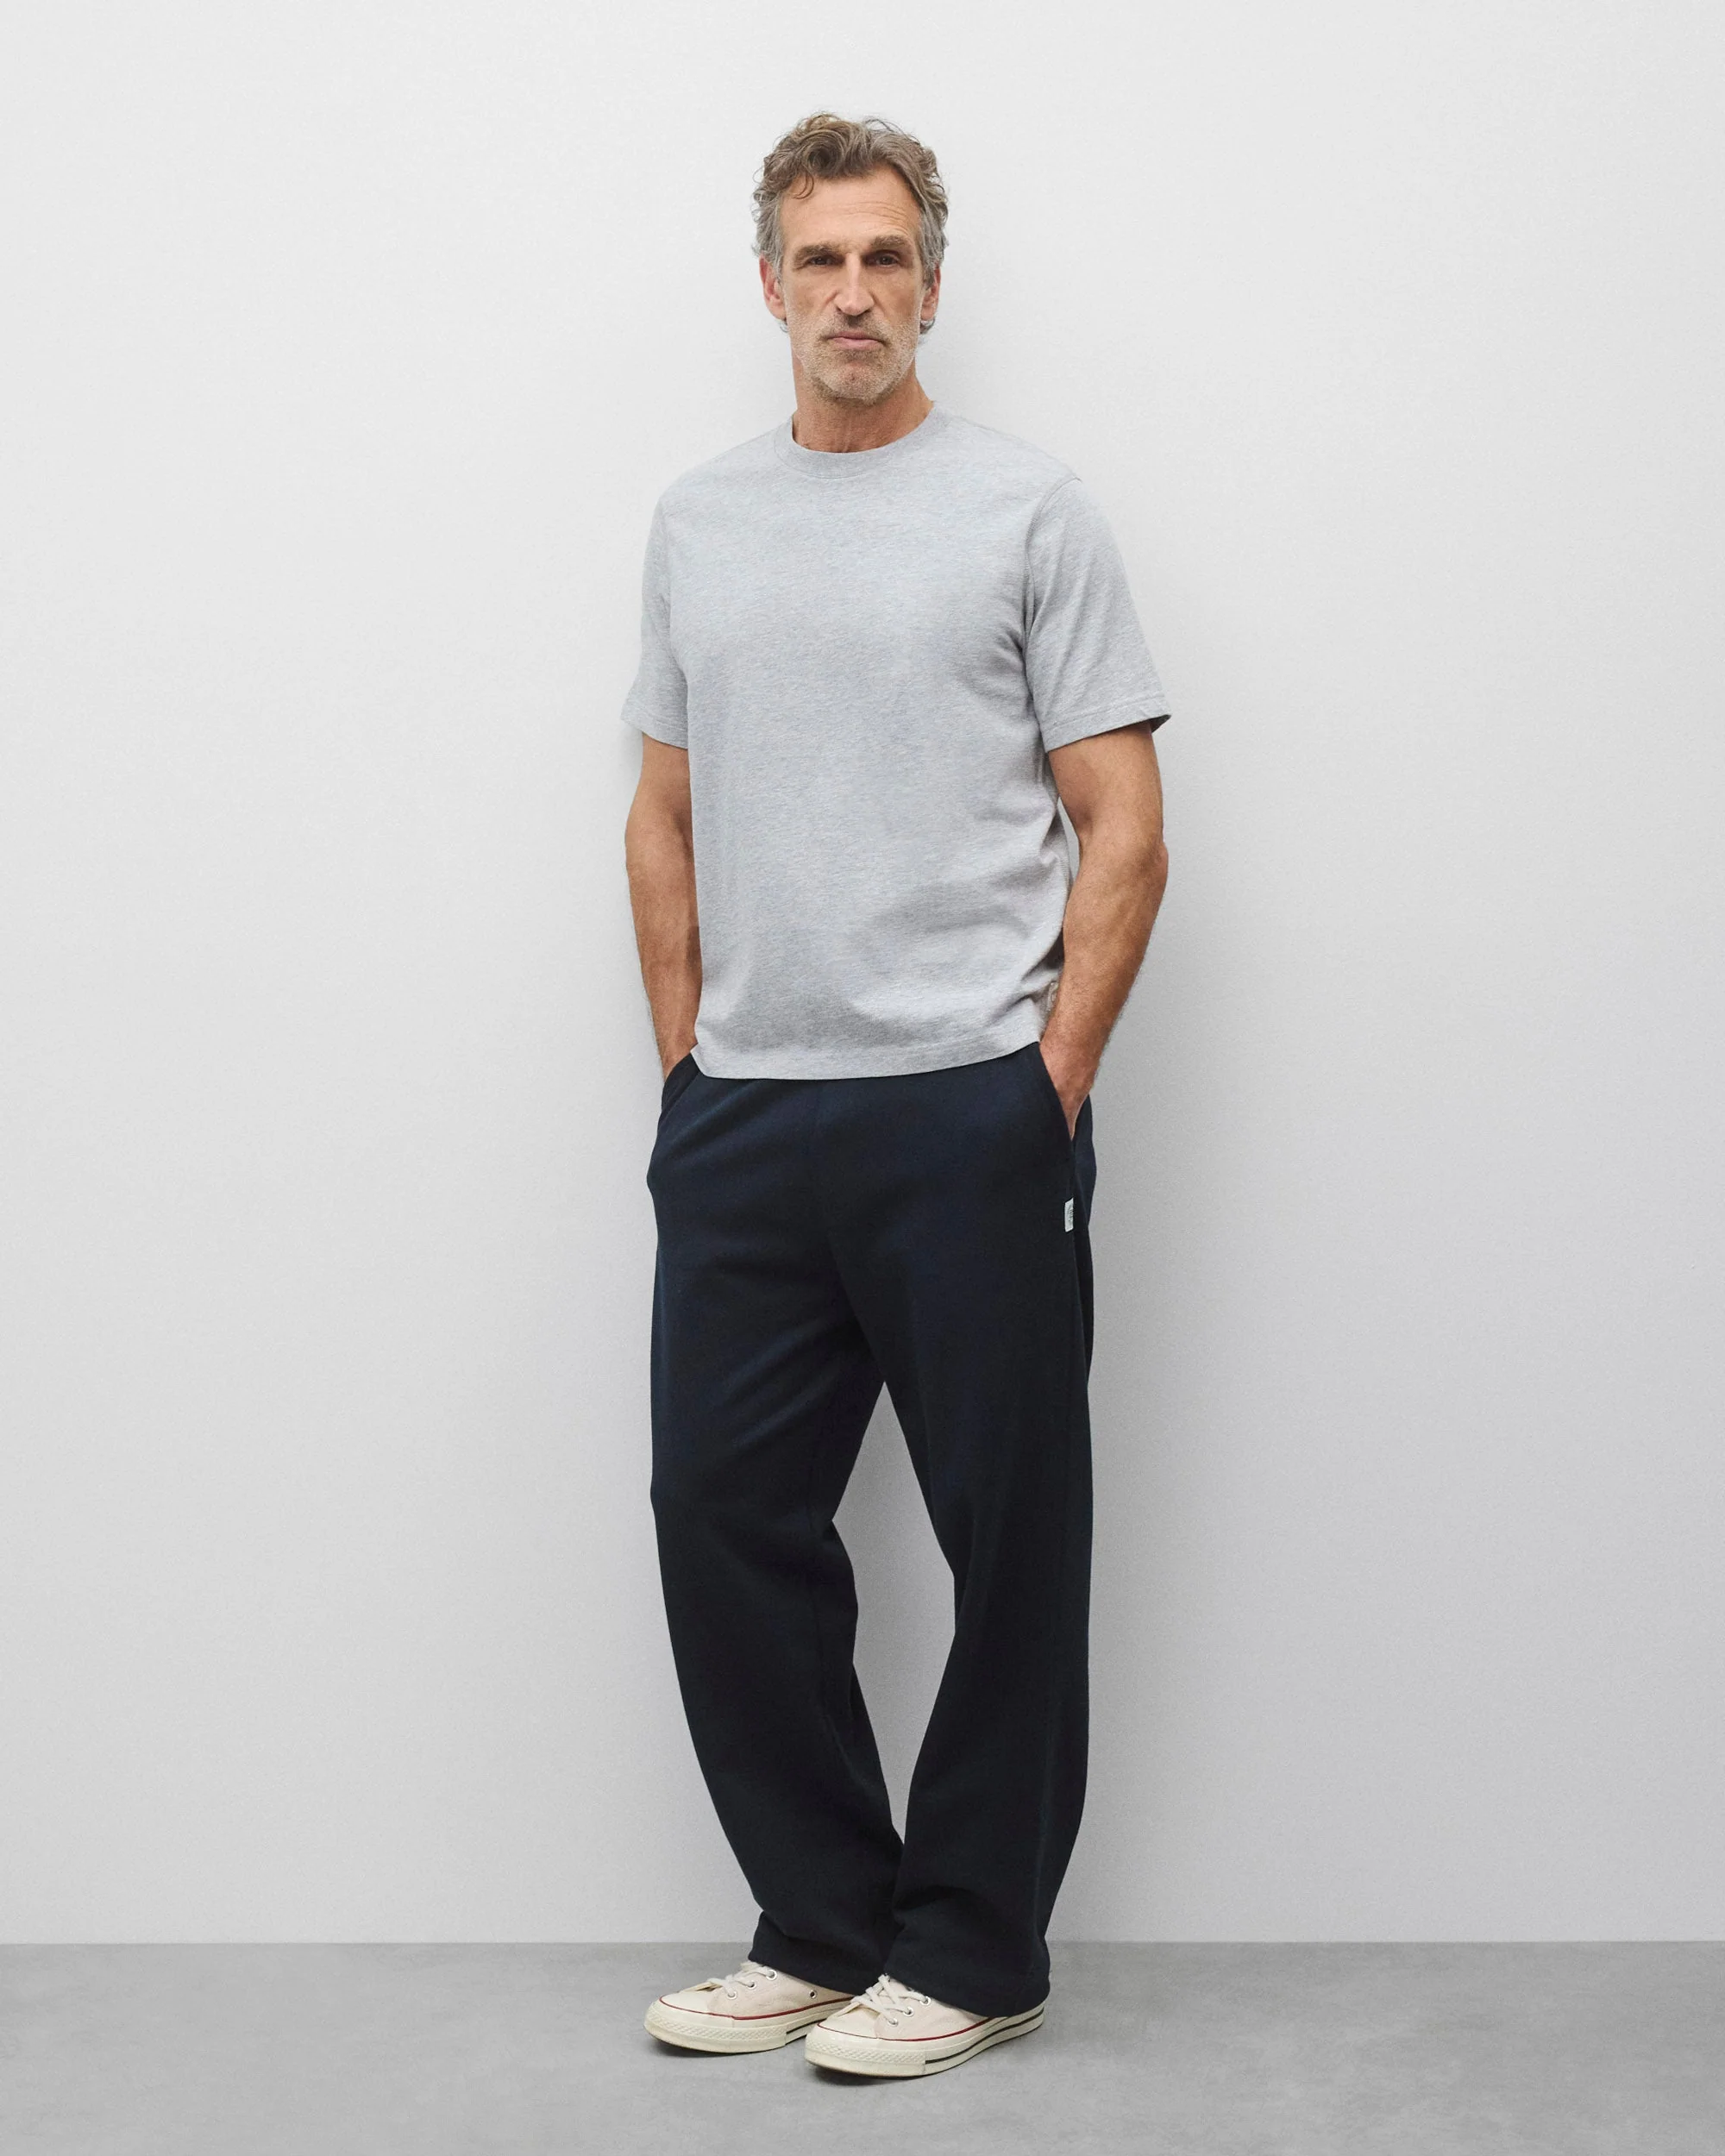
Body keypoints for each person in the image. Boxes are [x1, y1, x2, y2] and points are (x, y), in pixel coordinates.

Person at [621, 112, 1170, 2080]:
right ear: (768, 284)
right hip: (748, 1116)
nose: (851, 293)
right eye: (818, 258)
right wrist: (686, 1072)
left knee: (1008, 1538)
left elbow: (1124, 824)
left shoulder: (1029, 509)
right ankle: (823, 1921)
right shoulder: (699, 520)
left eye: (884, 258)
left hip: (965, 1107)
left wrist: (1047, 1081)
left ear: (930, 283)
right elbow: (664, 813)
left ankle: (975, 1945)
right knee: (721, 1512)